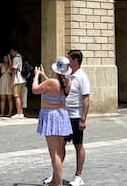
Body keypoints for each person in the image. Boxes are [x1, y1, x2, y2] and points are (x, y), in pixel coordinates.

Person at [52, 48, 90, 186]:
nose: (67, 61)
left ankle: (78, 176)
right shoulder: (67, 75)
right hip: (64, 115)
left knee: (78, 145)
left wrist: (83, 119)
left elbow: (86, 99)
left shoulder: (82, 77)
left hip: (75, 116)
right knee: (60, 145)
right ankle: (56, 175)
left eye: (69, 59)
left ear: (75, 60)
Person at [33, 57, 73, 186]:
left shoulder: (51, 82)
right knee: (59, 151)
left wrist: (36, 76)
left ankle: (58, 183)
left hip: (51, 116)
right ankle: (56, 181)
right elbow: (53, 87)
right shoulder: (67, 82)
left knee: (54, 153)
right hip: (62, 115)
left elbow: (35, 89)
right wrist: (44, 76)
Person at [10, 48, 26, 119]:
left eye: (12, 51)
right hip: (23, 79)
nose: (11, 53)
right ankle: (21, 112)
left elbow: (14, 70)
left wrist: (12, 81)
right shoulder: (21, 58)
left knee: (16, 96)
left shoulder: (15, 58)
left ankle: (19, 113)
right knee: (20, 96)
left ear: (15, 51)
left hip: (17, 79)